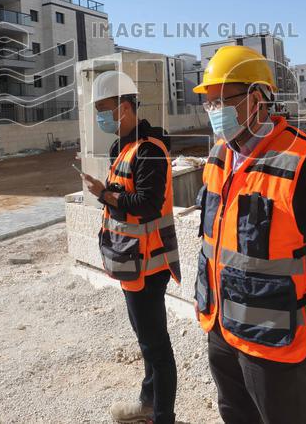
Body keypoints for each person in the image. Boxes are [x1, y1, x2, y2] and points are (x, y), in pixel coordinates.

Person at [192, 46, 306, 424]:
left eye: (222, 100)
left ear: (257, 99)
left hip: (275, 342)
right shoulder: (219, 157)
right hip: (221, 329)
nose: (214, 112)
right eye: (208, 103)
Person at [80, 70, 181, 424]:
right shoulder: (121, 148)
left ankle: (162, 415)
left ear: (123, 108)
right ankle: (148, 402)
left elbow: (146, 204)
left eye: (103, 109)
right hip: (129, 259)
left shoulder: (150, 150)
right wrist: (106, 192)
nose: (100, 117)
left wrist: (104, 194)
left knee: (156, 345)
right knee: (146, 340)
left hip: (149, 264)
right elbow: (124, 197)